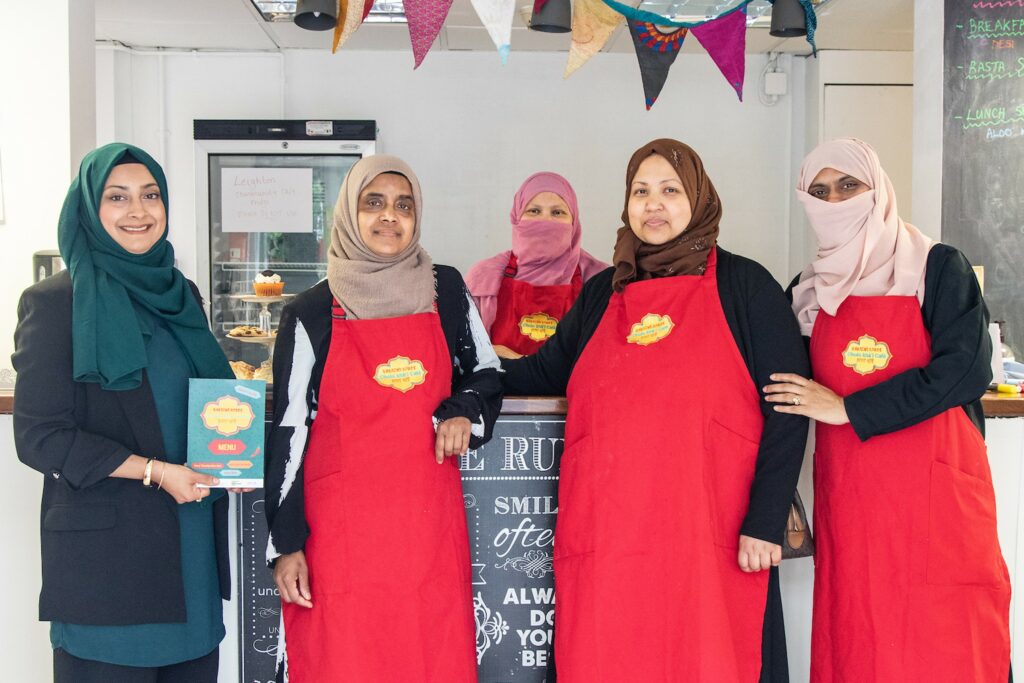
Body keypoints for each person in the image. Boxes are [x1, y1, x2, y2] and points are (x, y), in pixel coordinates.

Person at [502, 139, 809, 682]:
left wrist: (765, 521)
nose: (653, 204)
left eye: (669, 190)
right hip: (611, 539)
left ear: (697, 198)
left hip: (710, 536)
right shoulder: (602, 294)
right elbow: (541, 373)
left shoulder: (747, 287)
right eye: (640, 192)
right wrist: (459, 372)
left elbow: (789, 410)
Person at [764, 137, 1012, 682]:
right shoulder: (805, 293)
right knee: (864, 641)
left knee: (950, 641)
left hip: (939, 502)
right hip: (855, 511)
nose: (835, 201)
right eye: (819, 191)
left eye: (848, 186)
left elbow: (967, 369)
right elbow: (776, 393)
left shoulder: (936, 267)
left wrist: (850, 409)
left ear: (877, 189)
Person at [263, 154, 503, 681]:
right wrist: (286, 544)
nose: (389, 217)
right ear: (349, 212)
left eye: (403, 205)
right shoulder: (309, 313)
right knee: (347, 661)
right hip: (340, 538)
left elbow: (486, 374)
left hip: (426, 532)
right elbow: (289, 433)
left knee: (428, 657)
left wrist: (464, 411)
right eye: (374, 203)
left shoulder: (446, 291)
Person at [12, 143, 238, 682]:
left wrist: (234, 454)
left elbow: (201, 401)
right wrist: (155, 472)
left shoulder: (180, 294)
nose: (139, 211)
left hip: (189, 554)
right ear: (89, 208)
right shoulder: (55, 302)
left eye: (151, 195)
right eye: (118, 197)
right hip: (107, 567)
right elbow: (40, 438)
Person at [466, 172, 607, 359]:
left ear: (574, 222)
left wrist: (518, 361)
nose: (545, 221)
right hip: (502, 388)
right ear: (516, 217)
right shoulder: (483, 277)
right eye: (534, 211)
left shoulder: (599, 279)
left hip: (572, 389)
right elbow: (464, 354)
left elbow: (605, 358)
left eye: (557, 212)